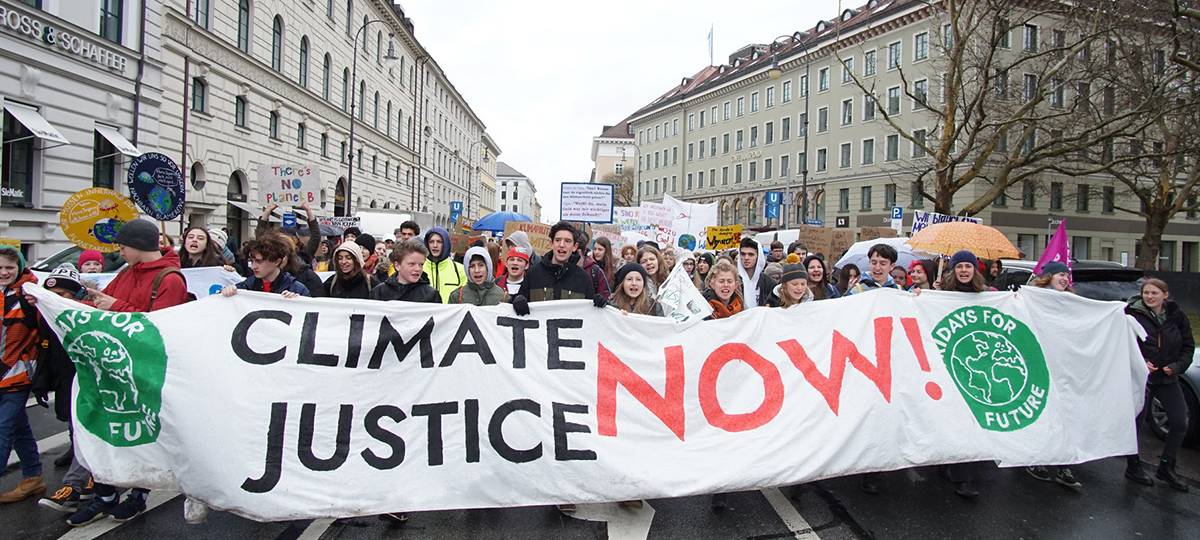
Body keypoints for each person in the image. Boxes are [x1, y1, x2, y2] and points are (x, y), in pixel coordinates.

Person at [65, 219, 189, 525]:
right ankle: (105, 494)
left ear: (138, 245)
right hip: (114, 364)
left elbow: (161, 328)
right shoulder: (127, 272)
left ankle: (138, 494)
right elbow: (107, 303)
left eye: (123, 245)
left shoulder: (170, 279)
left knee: (143, 433)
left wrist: (115, 306)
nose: (119, 250)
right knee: (104, 427)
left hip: (146, 370)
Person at [928, 250, 990, 499]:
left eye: (968, 266)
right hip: (948, 366)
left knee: (970, 422)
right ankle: (949, 464)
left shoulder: (986, 296)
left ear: (975, 270)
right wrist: (926, 297)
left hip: (974, 369)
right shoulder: (941, 295)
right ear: (952, 270)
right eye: (960, 266)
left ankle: (963, 477)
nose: (964, 270)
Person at [32, 265, 93, 512]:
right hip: (68, 382)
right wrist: (42, 381)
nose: (57, 301)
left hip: (90, 383)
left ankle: (75, 483)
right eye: (53, 295)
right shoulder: (49, 320)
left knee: (85, 430)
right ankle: (90, 475)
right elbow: (47, 352)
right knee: (75, 428)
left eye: (63, 295)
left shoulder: (87, 317)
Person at [1125, 278, 1193, 492]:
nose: (1150, 297)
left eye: (1154, 293)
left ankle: (1167, 466)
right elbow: (1123, 343)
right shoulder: (1132, 315)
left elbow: (1188, 345)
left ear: (1165, 294)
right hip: (1140, 377)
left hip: (1167, 377)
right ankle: (1133, 466)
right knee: (1135, 423)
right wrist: (1141, 362)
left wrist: (1177, 366)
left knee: (1179, 421)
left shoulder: (1177, 316)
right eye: (1146, 293)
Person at [1022, 262, 1082, 490]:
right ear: (1048, 277)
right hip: (1040, 365)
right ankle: (1035, 459)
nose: (1065, 278)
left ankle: (1063, 464)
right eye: (1061, 274)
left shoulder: (1073, 302)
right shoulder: (1035, 299)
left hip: (1065, 367)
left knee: (1065, 416)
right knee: (1043, 415)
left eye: (1067, 275)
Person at [0, 244, 43, 505]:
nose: (3, 272)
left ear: (19, 268)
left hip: (17, 376)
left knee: (3, 428)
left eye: (9, 267)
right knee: (18, 427)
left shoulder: (30, 295)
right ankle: (34, 476)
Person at [702, 258, 744, 511]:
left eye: (730, 281)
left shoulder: (742, 307)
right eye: (721, 281)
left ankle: (730, 481)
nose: (726, 285)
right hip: (708, 375)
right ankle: (718, 488)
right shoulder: (701, 306)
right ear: (712, 282)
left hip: (735, 376)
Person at [513, 221, 596, 311]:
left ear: (575, 247)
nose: (561, 245)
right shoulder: (534, 273)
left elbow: (592, 314)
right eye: (557, 240)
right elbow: (517, 303)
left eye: (567, 241)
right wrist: (518, 300)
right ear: (551, 243)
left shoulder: (583, 279)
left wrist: (599, 304)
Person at [220, 233, 311, 298]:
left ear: (277, 261)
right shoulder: (245, 286)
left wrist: (298, 303)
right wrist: (226, 292)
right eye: (252, 261)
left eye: (259, 261)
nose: (253, 267)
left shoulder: (297, 289)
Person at [371, 240, 441, 304]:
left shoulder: (431, 295)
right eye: (411, 264)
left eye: (421, 264)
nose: (418, 269)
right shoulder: (379, 292)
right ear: (397, 265)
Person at [423, 227, 467, 303]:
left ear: (446, 244)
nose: (435, 245)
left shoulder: (460, 270)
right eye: (431, 242)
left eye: (439, 242)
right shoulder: (419, 268)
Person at [736, 237, 774, 307]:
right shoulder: (733, 281)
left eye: (751, 254)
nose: (746, 258)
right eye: (743, 254)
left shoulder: (769, 283)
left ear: (758, 256)